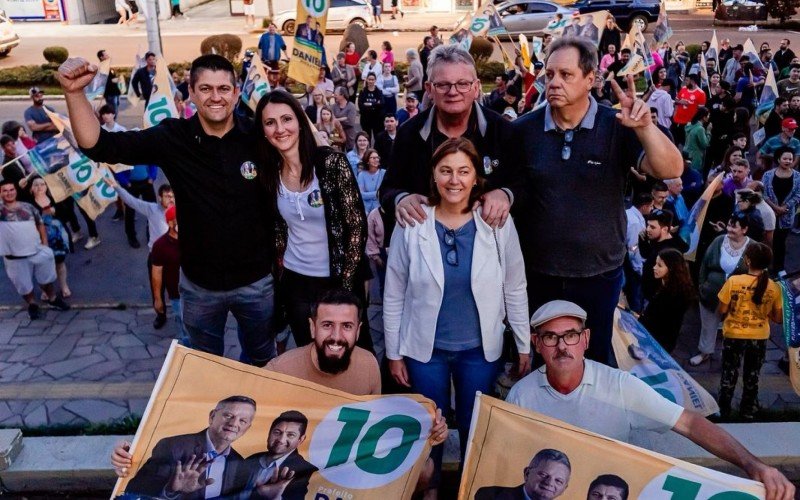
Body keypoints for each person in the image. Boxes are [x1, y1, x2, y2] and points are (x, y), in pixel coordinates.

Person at [59, 54, 278, 366]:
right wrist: (73, 93)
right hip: (200, 287)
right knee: (204, 365)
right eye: (205, 88)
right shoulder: (173, 137)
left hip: (257, 282)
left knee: (261, 360)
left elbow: (307, 156)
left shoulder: (260, 136)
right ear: (190, 92)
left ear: (237, 92)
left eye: (223, 88)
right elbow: (99, 146)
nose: (215, 97)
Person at [506, 300, 796, 500]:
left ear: (586, 339)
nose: (561, 347)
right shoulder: (522, 395)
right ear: (536, 344)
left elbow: (690, 423)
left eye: (570, 335)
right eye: (550, 338)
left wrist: (754, 465)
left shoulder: (620, 386)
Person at [509, 37, 682, 367]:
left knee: (594, 361)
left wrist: (645, 128)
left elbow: (672, 170)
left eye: (566, 74)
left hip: (599, 276)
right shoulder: (523, 131)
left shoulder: (618, 126)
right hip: (538, 275)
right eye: (550, 73)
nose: (554, 82)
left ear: (591, 79)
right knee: (547, 362)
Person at [384, 138, 531, 494]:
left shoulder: (496, 223)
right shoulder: (412, 223)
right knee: (429, 427)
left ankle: (469, 489)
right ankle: (430, 489)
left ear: (476, 176)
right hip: (425, 351)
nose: (455, 180)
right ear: (433, 175)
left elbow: (515, 285)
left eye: (464, 171)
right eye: (446, 171)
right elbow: (394, 291)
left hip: (478, 351)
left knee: (474, 426)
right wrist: (393, 353)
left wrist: (524, 343)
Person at [254, 90, 370, 352]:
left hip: (336, 280)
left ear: (299, 122)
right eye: (270, 123)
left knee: (348, 357)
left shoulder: (331, 163)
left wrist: (344, 290)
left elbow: (356, 228)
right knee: (309, 356)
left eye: (286, 119)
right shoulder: (270, 174)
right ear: (263, 131)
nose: (280, 129)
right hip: (296, 283)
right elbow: (279, 230)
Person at [381, 44, 521, 244]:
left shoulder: (503, 131)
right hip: (425, 246)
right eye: (443, 85)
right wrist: (400, 199)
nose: (453, 92)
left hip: (488, 245)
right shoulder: (409, 134)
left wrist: (506, 194)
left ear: (476, 87)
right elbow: (387, 188)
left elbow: (524, 184)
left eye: (462, 83)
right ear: (429, 89)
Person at [119, 396, 256, 498]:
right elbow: (134, 490)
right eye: (228, 415)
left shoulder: (240, 463)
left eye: (242, 420)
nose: (234, 423)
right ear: (212, 416)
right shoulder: (173, 446)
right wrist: (171, 490)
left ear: (247, 428)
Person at [718, 242, 783, 420]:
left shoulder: (733, 281)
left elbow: (721, 310)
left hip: (733, 335)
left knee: (729, 374)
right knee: (752, 376)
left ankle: (723, 410)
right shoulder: (774, 287)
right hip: (759, 337)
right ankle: (747, 411)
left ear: (747, 260)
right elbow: (778, 318)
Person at [690, 214, 755, 366]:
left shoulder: (753, 247)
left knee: (734, 329)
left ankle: (731, 356)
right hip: (711, 294)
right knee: (708, 325)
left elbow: (759, 271)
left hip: (737, 300)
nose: (729, 230)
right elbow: (704, 265)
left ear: (744, 229)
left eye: (734, 227)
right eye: (729, 225)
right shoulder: (719, 241)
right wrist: (702, 286)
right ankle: (705, 352)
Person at [0, 179, 70, 320]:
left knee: (46, 279)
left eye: (11, 189)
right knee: (24, 286)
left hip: (38, 252)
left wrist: (45, 244)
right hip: (14, 258)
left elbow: (40, 224)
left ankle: (52, 299)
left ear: (16, 191)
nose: (9, 193)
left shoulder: (28, 207)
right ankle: (32, 304)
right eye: (5, 190)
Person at [238, 411, 317, 500]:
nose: (281, 440)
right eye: (277, 432)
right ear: (269, 432)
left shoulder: (308, 472)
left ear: (301, 440)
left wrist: (276, 498)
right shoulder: (251, 459)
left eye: (290, 435)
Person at [639, 248, 695, 352]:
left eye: (659, 265)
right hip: (661, 340)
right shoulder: (672, 287)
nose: (654, 268)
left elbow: (658, 322)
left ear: (671, 268)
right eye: (656, 264)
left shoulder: (672, 295)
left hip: (657, 343)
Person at [26, 177, 72, 299]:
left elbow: (67, 215)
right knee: (41, 266)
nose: (39, 187)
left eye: (42, 184)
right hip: (38, 239)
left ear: (47, 187)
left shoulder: (54, 199)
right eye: (36, 185)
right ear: (31, 189)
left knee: (60, 263)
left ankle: (64, 286)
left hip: (57, 238)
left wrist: (55, 211)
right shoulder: (28, 203)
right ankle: (46, 290)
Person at [475, 449, 571, 500]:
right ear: (527, 473)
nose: (549, 483)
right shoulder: (490, 496)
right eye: (543, 474)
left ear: (564, 489)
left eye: (558, 481)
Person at [762, 146, 800, 273]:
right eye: (785, 158)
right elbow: (764, 194)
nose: (788, 161)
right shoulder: (767, 175)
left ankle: (779, 268)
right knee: (767, 240)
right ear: (778, 159)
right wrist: (775, 208)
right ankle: (764, 265)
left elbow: (798, 195)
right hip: (770, 213)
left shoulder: (798, 176)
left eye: (790, 159)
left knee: (781, 242)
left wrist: (785, 207)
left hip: (786, 215)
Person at [150, 204, 185, 339]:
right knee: (184, 330)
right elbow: (156, 273)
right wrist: (158, 299)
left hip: (198, 293)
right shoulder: (160, 246)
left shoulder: (193, 239)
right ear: (170, 222)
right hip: (177, 296)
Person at [640, 209, 688, 301]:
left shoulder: (669, 252)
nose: (647, 229)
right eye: (648, 225)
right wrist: (643, 242)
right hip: (647, 293)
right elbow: (646, 255)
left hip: (655, 298)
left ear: (665, 229)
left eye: (652, 227)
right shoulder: (657, 241)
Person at [672, 74, 706, 147]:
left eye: (687, 80)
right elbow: (676, 101)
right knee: (674, 143)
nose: (685, 82)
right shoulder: (683, 89)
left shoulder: (701, 93)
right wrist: (680, 102)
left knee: (685, 145)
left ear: (693, 81)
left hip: (688, 124)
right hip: (676, 121)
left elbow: (701, 111)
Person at [683, 106, 711, 173]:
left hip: (686, 152)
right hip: (695, 156)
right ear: (704, 117)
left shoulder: (689, 124)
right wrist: (708, 132)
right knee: (695, 174)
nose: (709, 117)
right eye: (708, 115)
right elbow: (705, 144)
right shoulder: (700, 129)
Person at [358, 73, 385, 142]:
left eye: (372, 79)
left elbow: (381, 104)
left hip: (377, 119)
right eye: (369, 79)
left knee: (378, 138)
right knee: (367, 139)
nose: (371, 81)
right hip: (365, 119)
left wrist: (368, 104)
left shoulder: (379, 92)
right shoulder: (363, 92)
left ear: (375, 80)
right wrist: (375, 104)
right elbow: (361, 105)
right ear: (367, 80)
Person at [357, 148, 385, 213]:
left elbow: (384, 193)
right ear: (367, 161)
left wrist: (369, 195)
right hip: (365, 209)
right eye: (373, 158)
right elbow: (361, 195)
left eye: (377, 157)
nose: (376, 160)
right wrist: (377, 193)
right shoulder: (361, 175)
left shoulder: (383, 173)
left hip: (381, 208)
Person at [332, 86, 359, 151]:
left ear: (342, 95)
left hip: (349, 135)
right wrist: (344, 118)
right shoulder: (334, 106)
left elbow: (350, 122)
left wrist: (338, 120)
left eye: (336, 95)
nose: (334, 96)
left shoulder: (351, 106)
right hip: (337, 134)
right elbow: (332, 119)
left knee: (350, 153)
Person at [98, 50, 122, 115]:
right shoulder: (102, 67)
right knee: (113, 111)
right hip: (110, 93)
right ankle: (111, 124)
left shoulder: (108, 67)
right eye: (106, 55)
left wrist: (116, 79)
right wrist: (113, 80)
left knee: (115, 109)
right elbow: (104, 81)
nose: (108, 56)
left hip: (115, 92)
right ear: (101, 57)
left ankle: (112, 123)